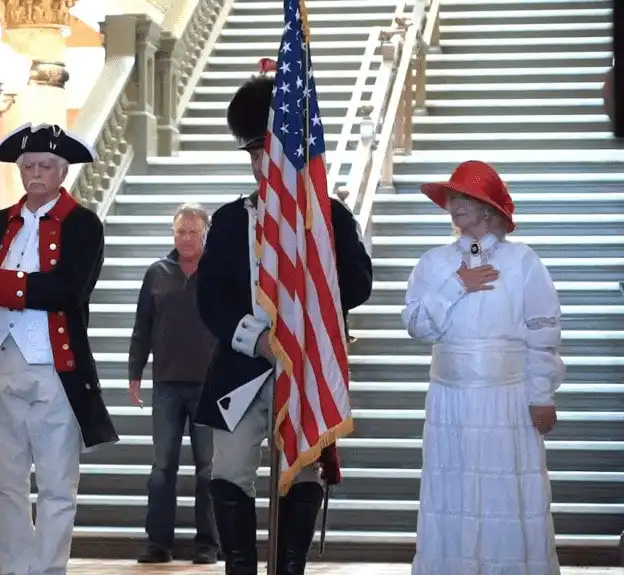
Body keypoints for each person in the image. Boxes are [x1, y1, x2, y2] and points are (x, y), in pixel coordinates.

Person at [195, 74, 374, 575]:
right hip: (242, 367)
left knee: (302, 470)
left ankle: (289, 566)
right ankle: (240, 567)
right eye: (252, 156)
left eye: (266, 154)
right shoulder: (232, 220)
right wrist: (260, 339)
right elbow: (211, 296)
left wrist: (317, 258)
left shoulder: (330, 216)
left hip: (306, 369)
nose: (258, 166)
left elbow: (358, 286)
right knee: (229, 472)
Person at [0, 122, 119, 575]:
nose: (36, 173)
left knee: (56, 487)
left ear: (62, 172)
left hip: (54, 367)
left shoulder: (83, 224)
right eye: (29, 165)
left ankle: (49, 571)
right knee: (5, 486)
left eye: (46, 166)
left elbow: (69, 289)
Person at [402, 160, 563, 574]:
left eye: (464, 197)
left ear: (489, 207)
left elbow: (543, 331)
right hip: (449, 403)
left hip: (506, 402)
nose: (454, 205)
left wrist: (541, 394)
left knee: (504, 495)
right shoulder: (434, 263)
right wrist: (457, 286)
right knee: (452, 494)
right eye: (451, 197)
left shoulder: (523, 262)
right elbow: (417, 326)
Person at [128, 203, 219, 565]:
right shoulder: (157, 273)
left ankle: (208, 545)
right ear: (173, 234)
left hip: (209, 386)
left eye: (193, 232)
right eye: (180, 232)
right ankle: (158, 544)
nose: (186, 239)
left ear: (205, 234)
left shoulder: (218, 273)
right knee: (162, 468)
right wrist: (135, 373)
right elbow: (142, 327)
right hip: (166, 385)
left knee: (208, 469)